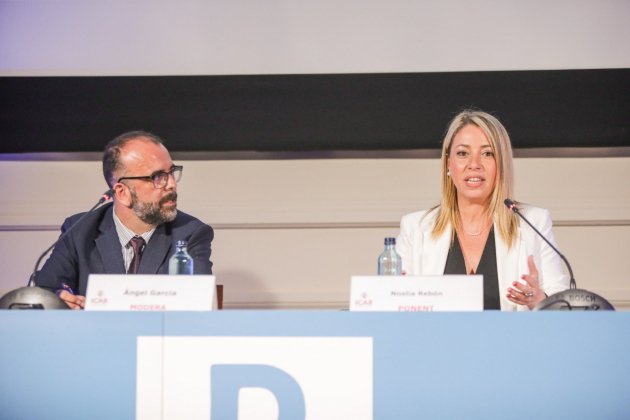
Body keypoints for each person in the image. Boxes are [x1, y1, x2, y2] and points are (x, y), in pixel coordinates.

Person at [396, 110, 568, 310]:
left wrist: (540, 300)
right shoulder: (415, 228)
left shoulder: (534, 222)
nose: (474, 165)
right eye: (462, 153)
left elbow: (563, 304)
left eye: (487, 153)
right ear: (448, 164)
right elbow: (394, 304)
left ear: (501, 164)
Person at [36, 131, 214, 309]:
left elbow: (196, 302)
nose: (172, 184)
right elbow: (44, 291)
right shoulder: (79, 231)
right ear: (122, 193)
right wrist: (59, 299)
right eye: (158, 177)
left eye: (172, 172)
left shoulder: (191, 233)